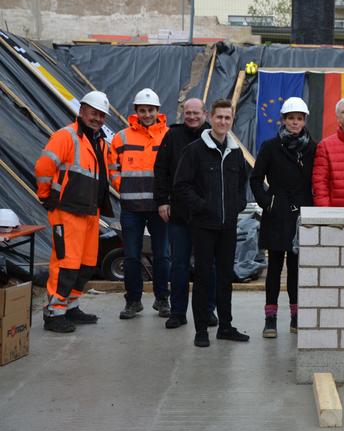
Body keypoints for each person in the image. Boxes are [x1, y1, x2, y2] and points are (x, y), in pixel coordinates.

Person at [34, 91, 114, 333]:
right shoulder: (66, 136)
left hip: (90, 211)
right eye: (93, 113)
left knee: (86, 263)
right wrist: (46, 195)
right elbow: (43, 166)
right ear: (81, 111)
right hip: (67, 211)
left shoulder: (99, 141)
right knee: (66, 263)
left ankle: (71, 305)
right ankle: (55, 312)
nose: (97, 118)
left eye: (102, 115)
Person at [174, 99, 249, 347]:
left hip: (228, 226)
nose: (223, 122)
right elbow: (181, 186)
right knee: (204, 277)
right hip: (204, 226)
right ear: (210, 117)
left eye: (228, 118)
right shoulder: (195, 151)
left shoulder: (235, 152)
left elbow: (241, 184)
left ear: (232, 120)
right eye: (219, 117)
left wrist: (238, 205)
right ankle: (201, 330)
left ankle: (226, 326)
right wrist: (202, 206)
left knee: (226, 277)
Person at [250, 97, 316, 339]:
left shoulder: (312, 148)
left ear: (304, 120)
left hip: (302, 214)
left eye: (299, 118)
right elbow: (255, 179)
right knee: (275, 267)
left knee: (297, 268)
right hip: (276, 214)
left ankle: (297, 316)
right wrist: (267, 203)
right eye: (290, 118)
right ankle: (270, 318)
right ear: (283, 120)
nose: (294, 122)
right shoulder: (270, 146)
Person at [154, 98, 218, 329]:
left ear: (205, 114)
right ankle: (178, 312)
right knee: (179, 265)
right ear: (183, 113)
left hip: (206, 215)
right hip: (179, 214)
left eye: (196, 113)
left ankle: (207, 311)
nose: (191, 117)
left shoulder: (214, 137)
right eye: (188, 113)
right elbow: (160, 169)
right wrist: (162, 201)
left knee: (207, 266)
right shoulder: (172, 137)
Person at [110, 88, 171, 320]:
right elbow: (112, 166)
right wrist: (122, 187)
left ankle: (162, 299)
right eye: (143, 110)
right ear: (136, 111)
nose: (147, 114)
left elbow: (174, 168)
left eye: (151, 110)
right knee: (132, 256)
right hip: (131, 208)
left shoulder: (168, 136)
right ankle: (133, 301)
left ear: (158, 111)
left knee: (162, 255)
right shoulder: (122, 137)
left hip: (160, 207)